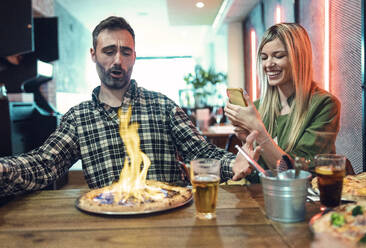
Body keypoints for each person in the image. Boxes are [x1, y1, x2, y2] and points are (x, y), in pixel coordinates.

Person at [0, 16, 251, 198]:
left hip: (171, 222)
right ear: (93, 54)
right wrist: (3, 169)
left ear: (134, 56)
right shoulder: (78, 118)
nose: (118, 60)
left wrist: (234, 164)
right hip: (108, 227)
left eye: (125, 52)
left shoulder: (163, 106)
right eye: (108, 51)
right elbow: (45, 164)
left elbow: (201, 154)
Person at [224, 23, 340, 182]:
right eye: (264, 58)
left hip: (304, 200)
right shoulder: (258, 107)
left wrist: (258, 129)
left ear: (299, 58)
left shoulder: (324, 105)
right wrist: (246, 141)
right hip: (262, 197)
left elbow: (298, 175)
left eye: (278, 56)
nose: (268, 64)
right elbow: (256, 172)